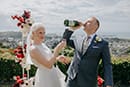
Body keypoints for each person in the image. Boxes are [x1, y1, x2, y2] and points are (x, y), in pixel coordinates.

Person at [62, 17, 113, 87]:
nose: (84, 23)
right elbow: (65, 41)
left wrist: (108, 84)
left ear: (96, 26)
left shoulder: (103, 44)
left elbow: (107, 65)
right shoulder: (78, 39)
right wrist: (72, 29)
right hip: (72, 78)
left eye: (88, 22)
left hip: (88, 82)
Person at [26, 23, 66, 87]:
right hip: (45, 77)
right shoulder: (33, 49)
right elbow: (48, 65)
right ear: (33, 33)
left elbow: (48, 60)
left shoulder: (42, 45)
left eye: (44, 33)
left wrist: (57, 58)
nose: (43, 35)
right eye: (40, 33)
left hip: (53, 74)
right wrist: (57, 50)